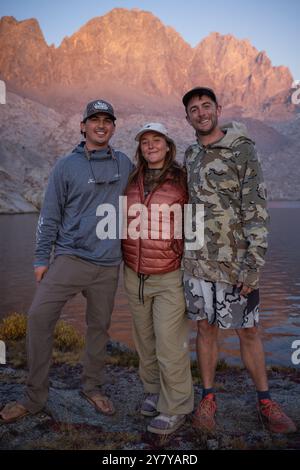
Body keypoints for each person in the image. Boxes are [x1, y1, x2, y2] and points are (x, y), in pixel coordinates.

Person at [0, 99, 134, 423]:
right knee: (38, 317)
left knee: (99, 328)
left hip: (107, 264)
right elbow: (49, 216)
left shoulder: (125, 164)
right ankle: (34, 398)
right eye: (94, 120)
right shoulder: (65, 166)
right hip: (70, 258)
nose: (101, 125)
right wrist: (39, 259)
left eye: (107, 120)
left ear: (113, 127)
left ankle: (93, 387)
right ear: (83, 126)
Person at [182, 87, 297, 434]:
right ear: (187, 117)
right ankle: (208, 398)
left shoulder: (241, 149)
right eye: (193, 109)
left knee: (248, 330)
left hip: (236, 263)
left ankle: (265, 401)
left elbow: (256, 208)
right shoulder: (189, 154)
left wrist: (254, 263)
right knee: (206, 328)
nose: (201, 113)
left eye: (205, 106)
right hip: (198, 261)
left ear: (218, 109)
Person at [122, 123, 194, 435]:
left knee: (170, 344)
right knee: (145, 340)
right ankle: (153, 390)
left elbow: (195, 222)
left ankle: (176, 406)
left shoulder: (182, 179)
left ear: (167, 145)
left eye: (157, 140)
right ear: (140, 147)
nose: (151, 145)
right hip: (133, 274)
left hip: (168, 275)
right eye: (146, 141)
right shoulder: (132, 178)